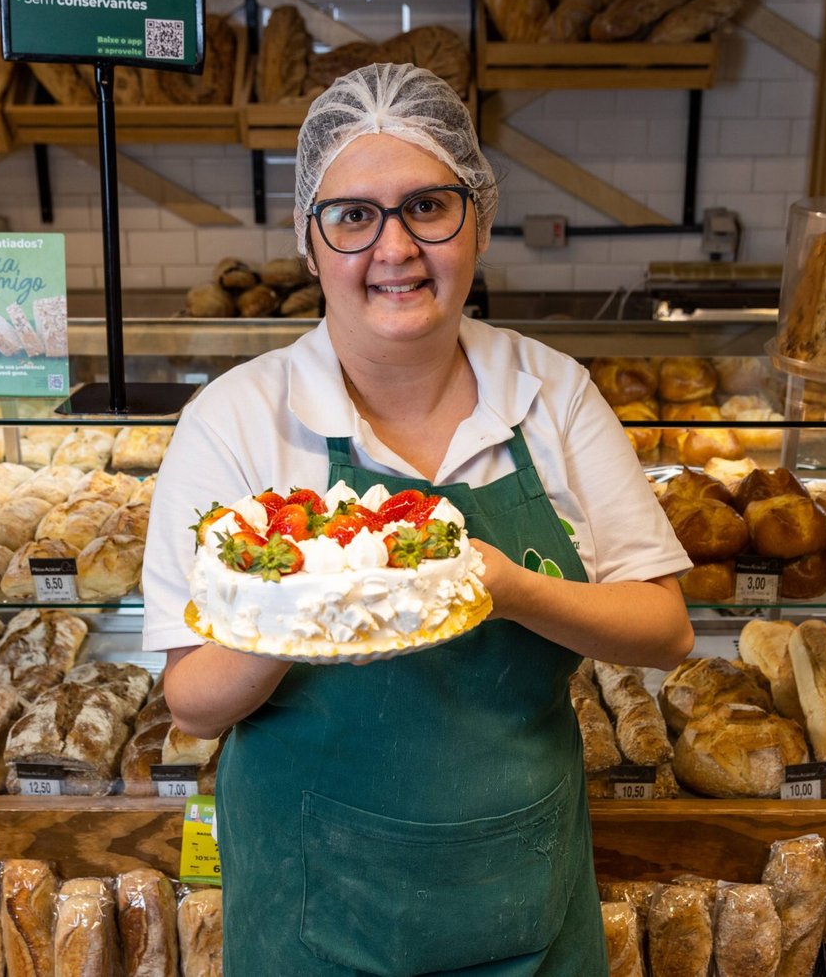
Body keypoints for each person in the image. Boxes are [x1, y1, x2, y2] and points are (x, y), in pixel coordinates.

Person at [141, 63, 694, 976]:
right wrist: (318, 597)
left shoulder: (550, 392)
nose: (393, 249)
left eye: (427, 207)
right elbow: (193, 702)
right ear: (310, 243)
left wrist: (504, 588)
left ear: (476, 219)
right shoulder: (236, 420)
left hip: (521, 885)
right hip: (308, 904)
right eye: (353, 216)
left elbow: (663, 628)